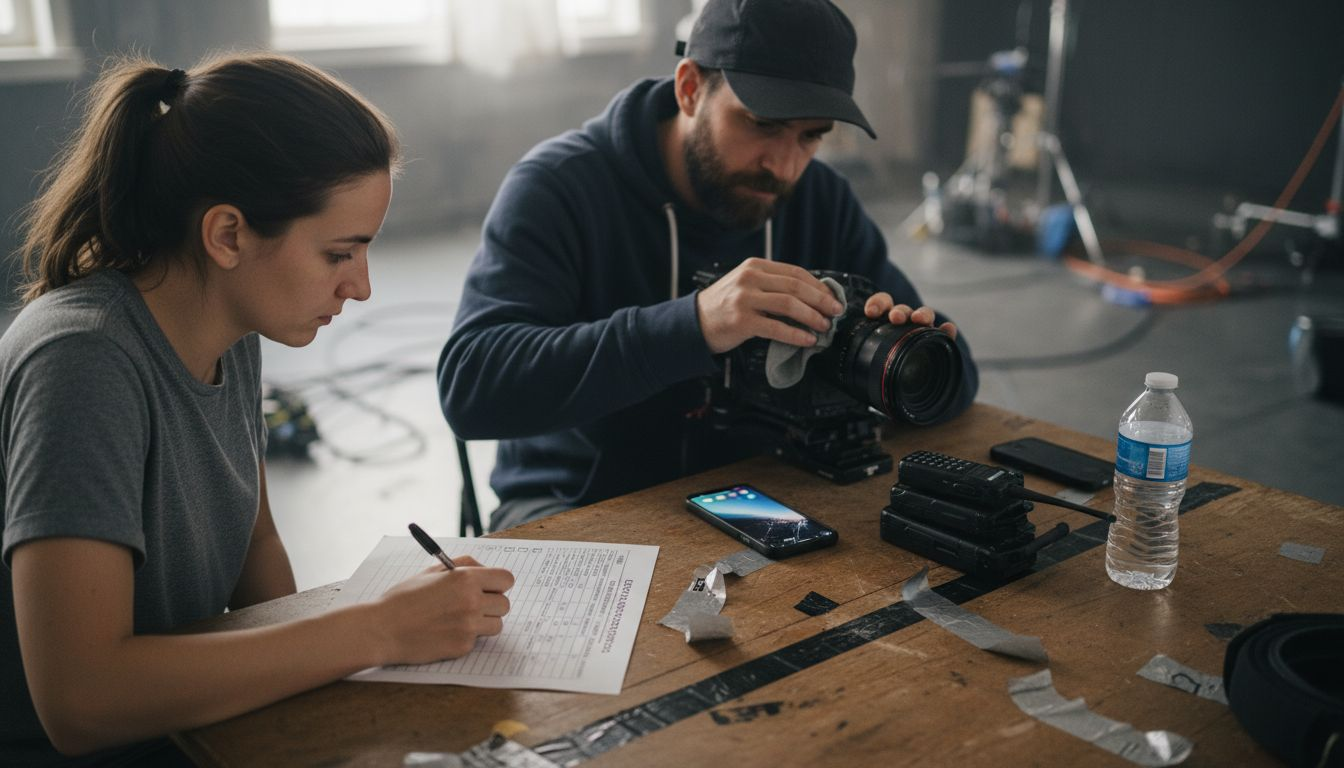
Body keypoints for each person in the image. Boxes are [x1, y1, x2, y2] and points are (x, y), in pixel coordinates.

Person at [0, 53, 514, 766]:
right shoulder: (81, 362)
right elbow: (82, 701)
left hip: (200, 728)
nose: (360, 287)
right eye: (340, 253)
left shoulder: (230, 332)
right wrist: (378, 632)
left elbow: (256, 551)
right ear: (228, 235)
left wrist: (330, 691)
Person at [439, 0, 979, 532]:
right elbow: (471, 388)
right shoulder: (560, 187)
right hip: (582, 501)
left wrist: (909, 361)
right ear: (690, 88)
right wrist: (694, 325)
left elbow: (957, 379)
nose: (785, 166)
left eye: (811, 136)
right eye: (764, 124)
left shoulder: (820, 198)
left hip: (762, 487)